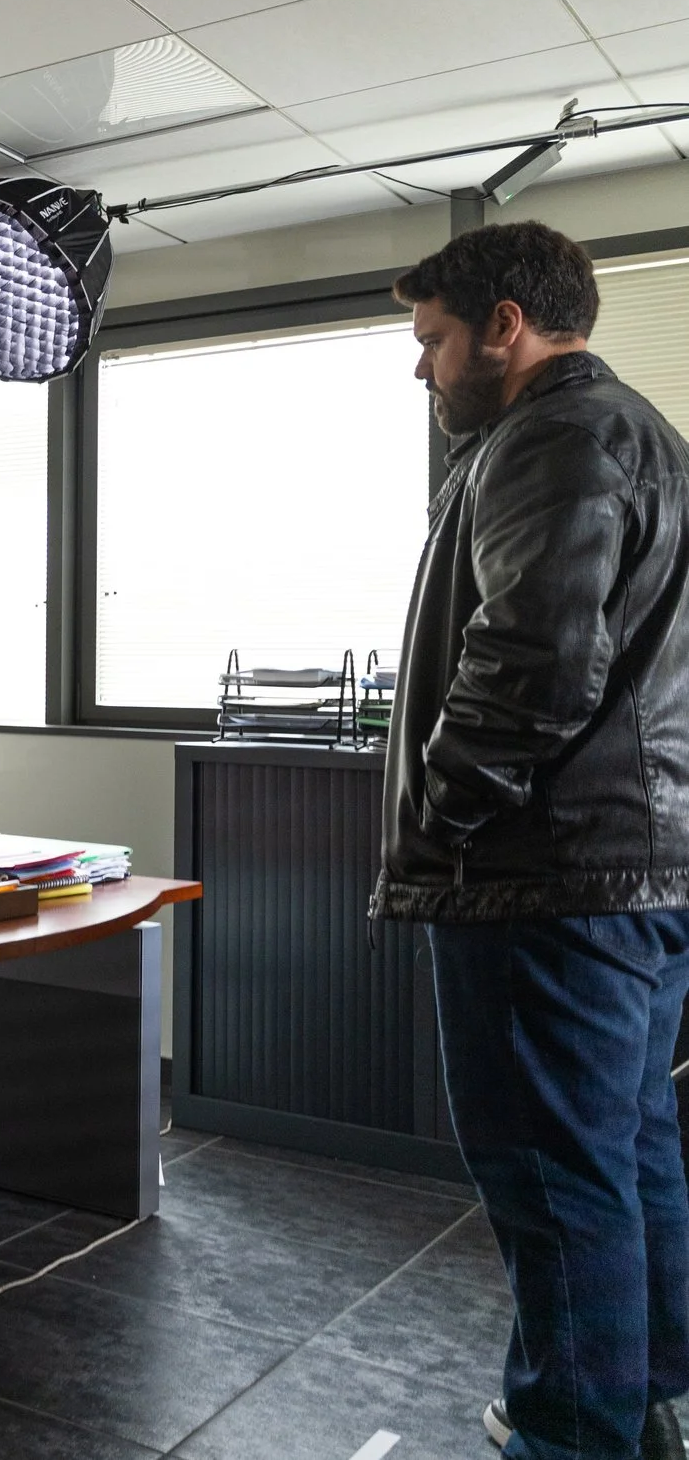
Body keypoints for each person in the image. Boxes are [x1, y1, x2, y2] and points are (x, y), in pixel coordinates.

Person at [375, 222, 689, 1460]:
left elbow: (536, 659)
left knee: (554, 1177)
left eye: (433, 340)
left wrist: (444, 817)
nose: (423, 370)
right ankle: (646, 1394)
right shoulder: (649, 435)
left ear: (505, 323)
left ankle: (571, 1432)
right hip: (643, 870)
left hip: (546, 876)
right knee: (627, 1149)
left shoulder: (550, 435)